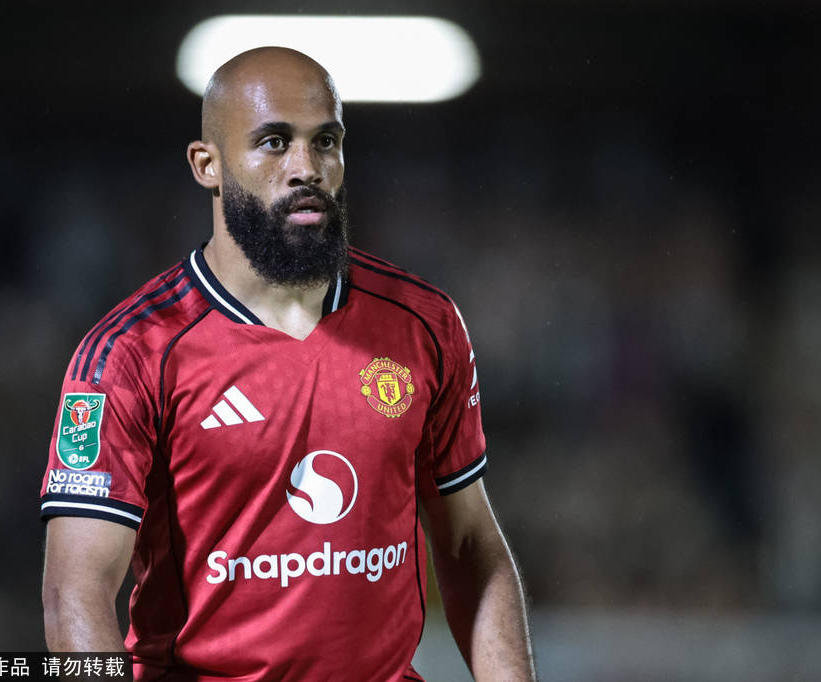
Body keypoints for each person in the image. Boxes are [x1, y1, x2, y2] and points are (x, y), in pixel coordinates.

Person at [40, 46, 535, 681]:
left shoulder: (425, 324)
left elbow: (469, 546)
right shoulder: (130, 355)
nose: (307, 167)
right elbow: (74, 595)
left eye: (325, 141)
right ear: (208, 165)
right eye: (274, 143)